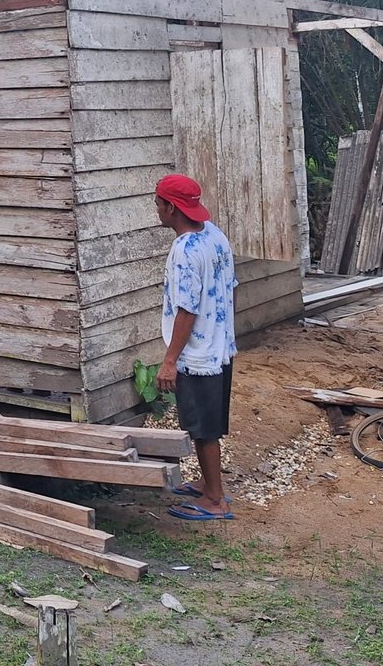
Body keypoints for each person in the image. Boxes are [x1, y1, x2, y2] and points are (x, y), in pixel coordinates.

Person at [153, 173, 237, 521]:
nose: (157, 210)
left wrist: (170, 360)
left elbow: (186, 310)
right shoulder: (214, 235)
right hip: (220, 346)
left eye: (158, 204)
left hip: (198, 354)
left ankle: (215, 500)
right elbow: (231, 287)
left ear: (171, 208)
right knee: (210, 423)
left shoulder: (185, 251)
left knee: (202, 430)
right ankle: (207, 484)